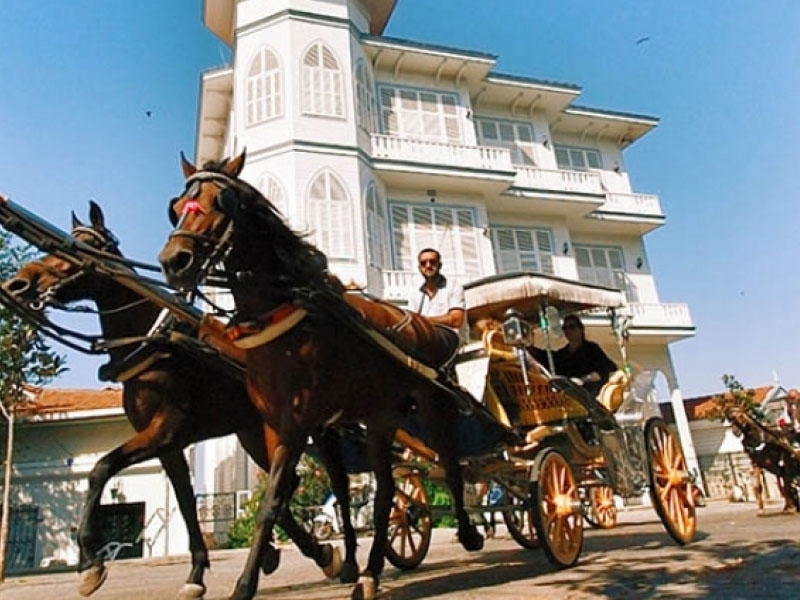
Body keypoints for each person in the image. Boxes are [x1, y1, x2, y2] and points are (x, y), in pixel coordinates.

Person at [530, 314, 617, 398]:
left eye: (571, 327)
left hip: (590, 397)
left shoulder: (592, 349)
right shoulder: (563, 354)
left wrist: (583, 380)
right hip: (569, 398)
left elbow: (605, 369)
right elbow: (548, 360)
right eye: (565, 328)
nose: (568, 331)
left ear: (581, 329)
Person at [406, 248, 469, 353]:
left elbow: (456, 320)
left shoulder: (453, 287)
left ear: (440, 265)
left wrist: (425, 321)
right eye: (423, 263)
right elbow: (412, 323)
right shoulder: (415, 294)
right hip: (427, 346)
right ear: (419, 268)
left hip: (452, 348)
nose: (428, 266)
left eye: (432, 262)